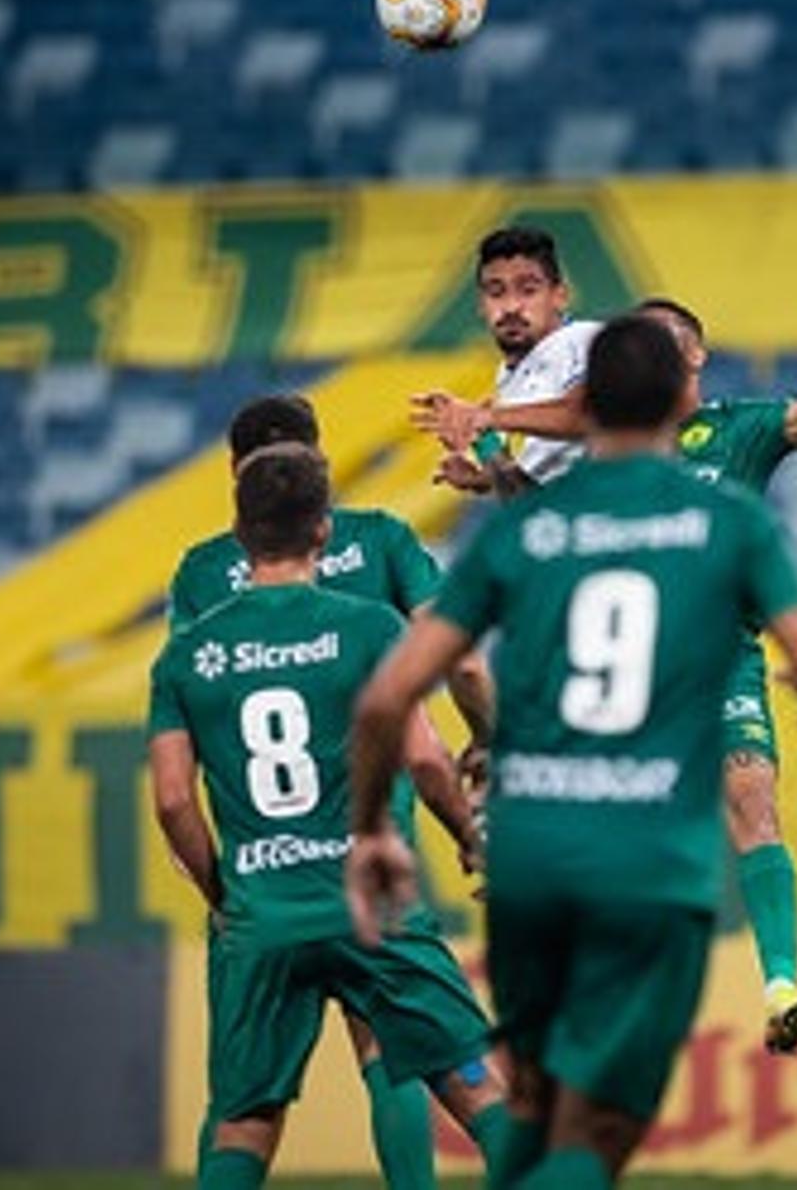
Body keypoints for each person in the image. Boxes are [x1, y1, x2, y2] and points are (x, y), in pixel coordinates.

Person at [412, 268, 797, 1053]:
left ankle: (782, 983)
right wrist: (491, 460)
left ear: (693, 357)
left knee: (752, 800)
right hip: (622, 673)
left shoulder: (739, 430)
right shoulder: (596, 454)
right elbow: (535, 512)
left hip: (717, 656)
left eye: (661, 340)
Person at [349, 313, 797, 1188]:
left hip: (533, 856)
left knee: (535, 1108)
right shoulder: (727, 521)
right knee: (603, 1127)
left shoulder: (526, 527)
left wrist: (371, 833)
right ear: (680, 396)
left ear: (583, 408)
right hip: (648, 864)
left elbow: (388, 695)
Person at [150, 444, 510, 1189]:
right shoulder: (370, 627)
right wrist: (473, 841)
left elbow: (174, 799)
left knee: (245, 1116)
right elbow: (425, 759)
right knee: (472, 1085)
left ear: (241, 532)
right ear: (323, 530)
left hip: (262, 918)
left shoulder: (187, 658)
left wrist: (227, 896)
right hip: (370, 906)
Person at [422, 226, 600, 499]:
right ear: (481, 305)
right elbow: (526, 502)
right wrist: (485, 457)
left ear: (559, 296)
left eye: (528, 290)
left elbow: (588, 414)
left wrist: (484, 418)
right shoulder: (509, 376)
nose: (511, 306)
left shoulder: (585, 340)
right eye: (496, 293)